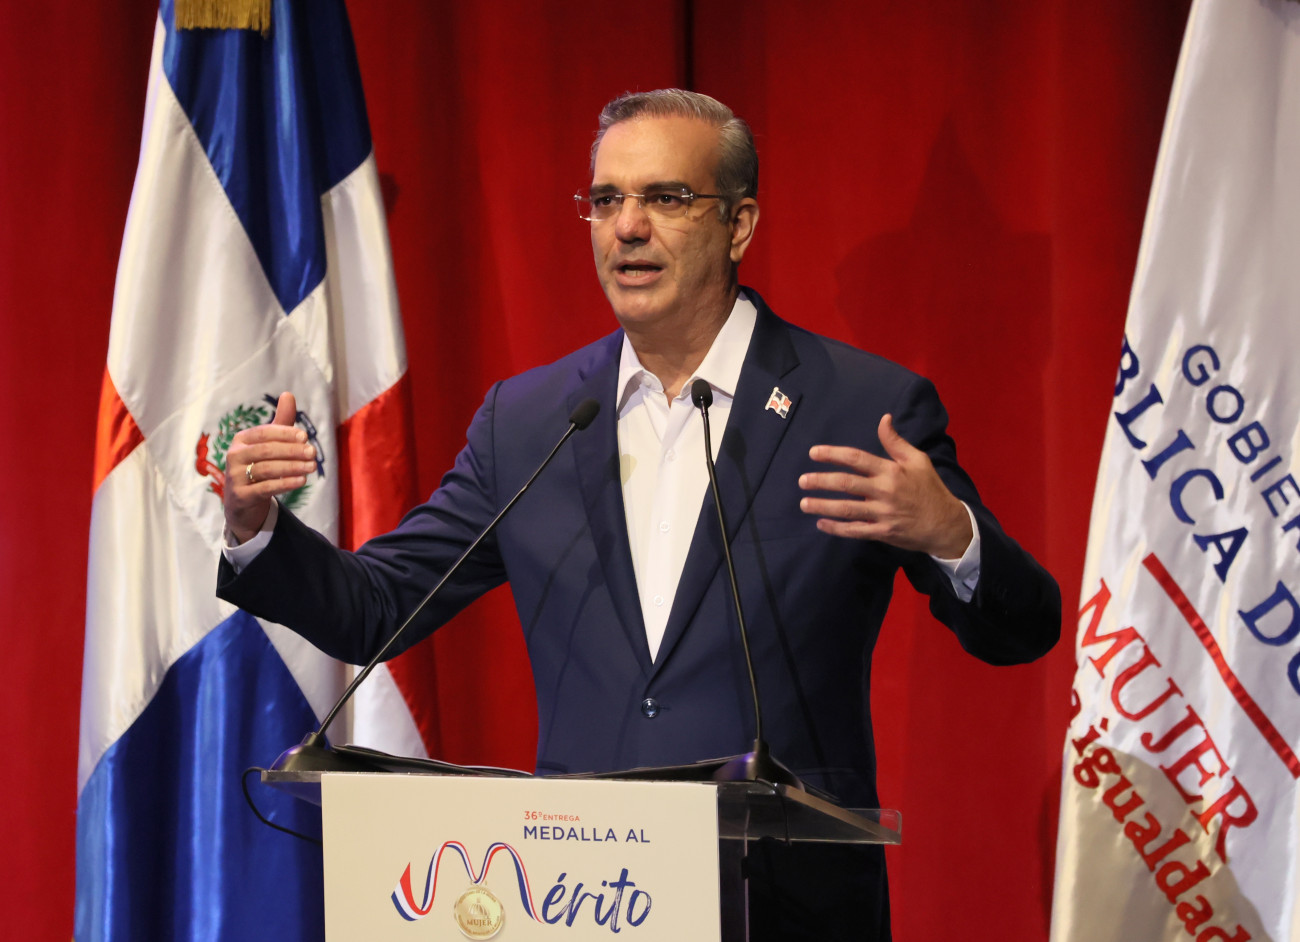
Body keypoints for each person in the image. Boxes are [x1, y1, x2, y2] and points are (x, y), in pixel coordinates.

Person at [218, 89, 1060, 940]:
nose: (626, 227)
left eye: (666, 197)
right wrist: (257, 529)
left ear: (738, 225)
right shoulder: (530, 421)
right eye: (605, 199)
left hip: (788, 905)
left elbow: (1023, 629)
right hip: (581, 905)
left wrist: (952, 535)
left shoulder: (859, 409)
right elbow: (376, 607)